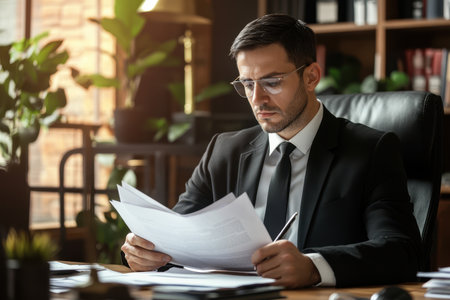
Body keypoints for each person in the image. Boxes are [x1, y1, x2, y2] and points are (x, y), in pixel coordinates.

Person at [121, 13, 421, 288]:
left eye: (272, 82)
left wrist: (313, 267)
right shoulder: (224, 151)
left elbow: (401, 251)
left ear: (311, 77)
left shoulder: (370, 150)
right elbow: (175, 235)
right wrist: (144, 251)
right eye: (247, 84)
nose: (257, 98)